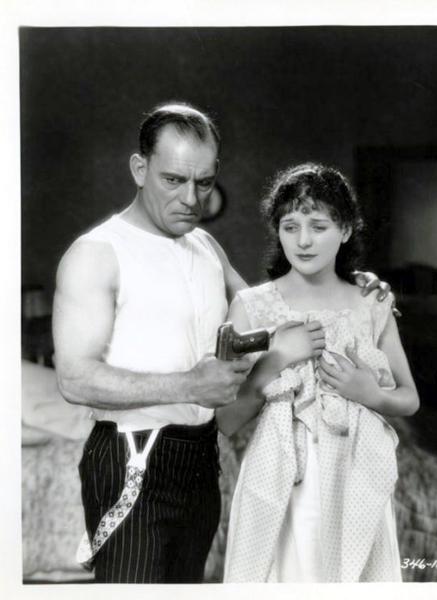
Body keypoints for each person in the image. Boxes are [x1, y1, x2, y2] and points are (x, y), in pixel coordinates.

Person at [52, 102, 389, 583]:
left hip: (200, 456)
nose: (192, 198)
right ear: (139, 169)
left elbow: (278, 307)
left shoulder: (205, 246)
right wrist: (190, 386)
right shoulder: (97, 254)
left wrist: (354, 288)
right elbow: (74, 379)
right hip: (132, 453)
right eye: (173, 180)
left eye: (204, 182)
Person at [218, 163, 419, 583]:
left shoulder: (371, 302)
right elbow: (226, 419)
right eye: (290, 227)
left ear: (345, 230)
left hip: (356, 477)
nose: (303, 240)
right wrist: (276, 359)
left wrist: (372, 394)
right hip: (281, 479)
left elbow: (409, 398)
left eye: (319, 226)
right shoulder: (253, 307)